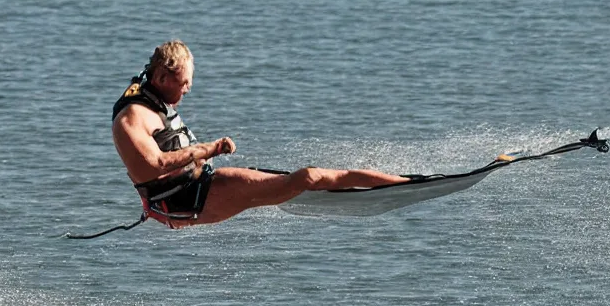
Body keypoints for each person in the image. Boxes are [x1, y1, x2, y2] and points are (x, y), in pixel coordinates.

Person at [112, 41, 407, 228]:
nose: (187, 90)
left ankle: (286, 189)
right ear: (162, 77)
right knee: (307, 177)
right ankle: (404, 184)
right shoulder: (132, 118)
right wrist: (210, 149)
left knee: (287, 180)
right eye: (184, 83)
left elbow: (155, 64)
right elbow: (156, 165)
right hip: (188, 202)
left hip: (199, 190)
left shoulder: (151, 87)